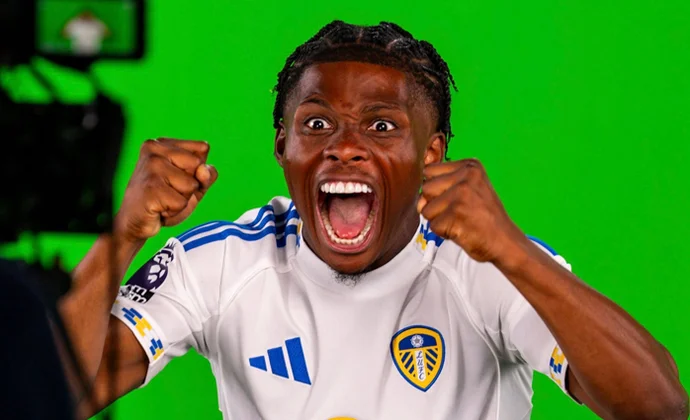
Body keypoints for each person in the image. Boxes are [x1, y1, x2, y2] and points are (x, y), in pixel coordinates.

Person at [59, 21, 688, 419]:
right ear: (283, 148)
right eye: (316, 124)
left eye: (382, 126)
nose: (345, 147)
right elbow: (54, 399)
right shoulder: (223, 262)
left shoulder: (488, 264)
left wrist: (515, 253)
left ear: (432, 154)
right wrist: (122, 236)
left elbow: (659, 407)